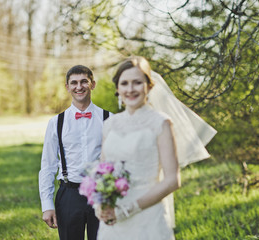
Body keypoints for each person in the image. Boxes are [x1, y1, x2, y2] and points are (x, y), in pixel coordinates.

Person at [96, 56, 181, 240]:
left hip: (147, 216)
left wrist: (129, 209)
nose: (130, 89)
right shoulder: (110, 124)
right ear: (118, 89)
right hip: (113, 220)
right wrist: (100, 205)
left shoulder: (161, 123)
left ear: (148, 86)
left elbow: (173, 180)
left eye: (137, 82)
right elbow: (103, 171)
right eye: (124, 83)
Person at [39, 65, 111, 240]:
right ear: (67, 87)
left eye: (84, 81)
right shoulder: (56, 122)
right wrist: (47, 204)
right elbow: (48, 165)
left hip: (101, 194)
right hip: (69, 194)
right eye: (74, 83)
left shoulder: (109, 119)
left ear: (92, 84)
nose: (79, 87)